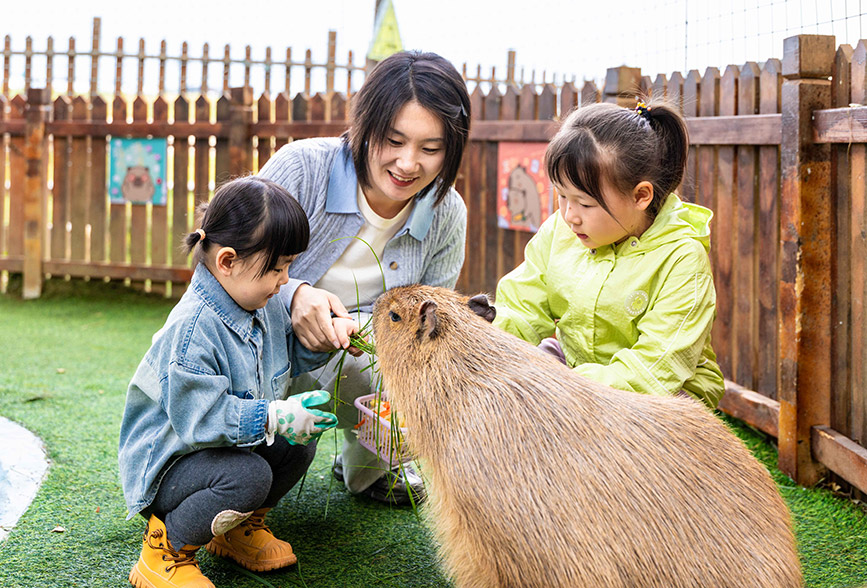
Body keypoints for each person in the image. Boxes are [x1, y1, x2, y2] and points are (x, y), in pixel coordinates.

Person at [118, 177, 358, 588]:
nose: (286, 281)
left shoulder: (259, 302)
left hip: (224, 450)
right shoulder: (193, 330)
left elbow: (284, 358)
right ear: (227, 261)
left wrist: (330, 341)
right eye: (278, 268)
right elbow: (202, 421)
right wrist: (275, 415)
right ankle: (164, 548)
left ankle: (235, 528)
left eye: (289, 267)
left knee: (299, 442)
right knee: (247, 476)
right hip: (173, 466)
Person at [257, 50, 471, 505]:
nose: (409, 163)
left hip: (365, 352)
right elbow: (226, 269)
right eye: (393, 141)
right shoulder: (300, 168)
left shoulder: (447, 213)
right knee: (250, 465)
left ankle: (372, 469)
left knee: (395, 367)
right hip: (267, 342)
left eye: (431, 149)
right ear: (364, 125)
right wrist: (295, 294)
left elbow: (429, 325)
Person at [493, 100, 725, 408]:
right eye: (561, 196)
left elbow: (655, 368)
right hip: (573, 370)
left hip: (664, 391)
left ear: (641, 196)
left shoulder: (681, 259)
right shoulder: (561, 231)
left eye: (585, 204)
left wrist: (567, 384)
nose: (570, 215)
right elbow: (522, 307)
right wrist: (492, 344)